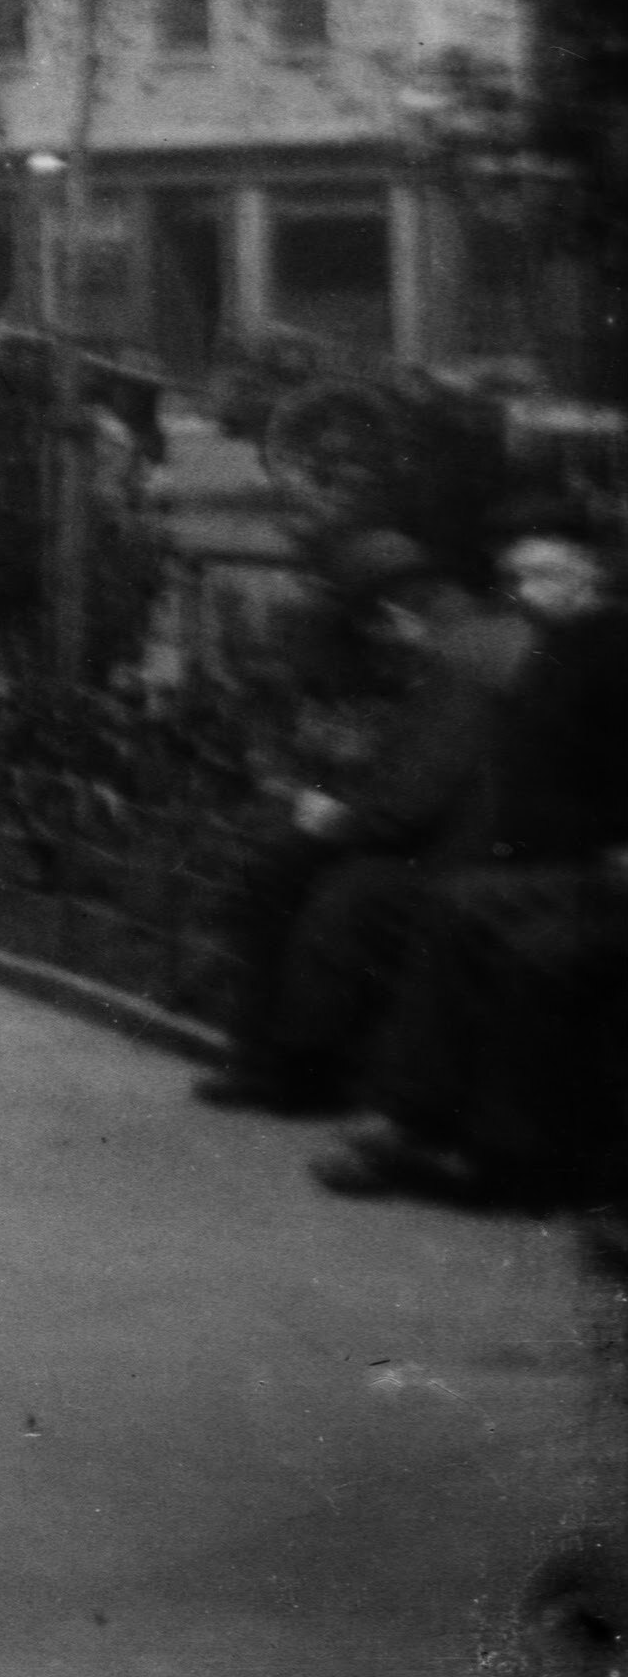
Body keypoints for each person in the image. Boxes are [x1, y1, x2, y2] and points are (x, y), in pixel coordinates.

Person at [311, 508, 628, 1202]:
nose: (526, 590)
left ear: (591, 571)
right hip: (577, 863)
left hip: (598, 867)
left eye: (544, 573)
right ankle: (408, 1118)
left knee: (527, 948)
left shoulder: (602, 648)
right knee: (456, 905)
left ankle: (494, 1152)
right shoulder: (562, 651)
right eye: (518, 576)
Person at [190, 534, 522, 1113]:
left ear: (392, 615)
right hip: (469, 841)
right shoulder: (477, 641)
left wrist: (338, 821)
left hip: (454, 853)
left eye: (377, 630)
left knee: (300, 879)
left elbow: (411, 800)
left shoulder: (456, 663)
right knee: (294, 871)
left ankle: (288, 1068)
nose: (381, 646)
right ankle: (280, 1062)